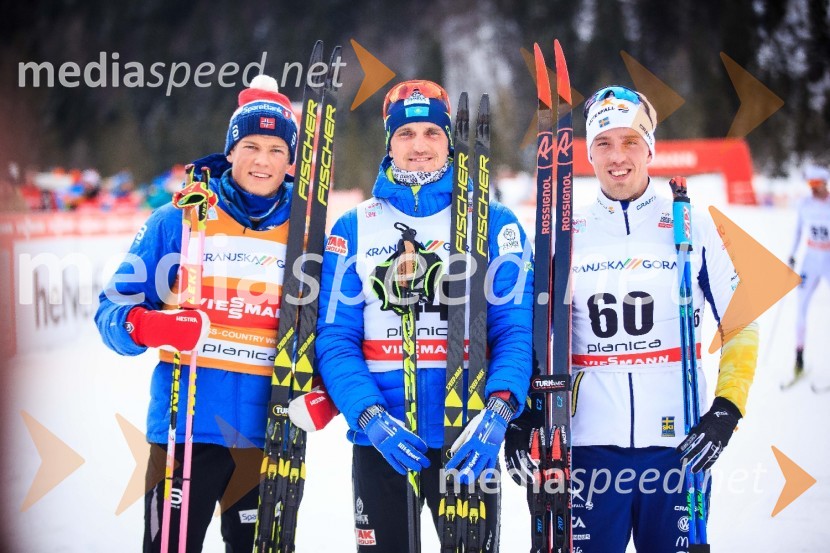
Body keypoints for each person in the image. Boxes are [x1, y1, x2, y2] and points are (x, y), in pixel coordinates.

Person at [504, 85, 759, 552]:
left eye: (630, 142)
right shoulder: (564, 234)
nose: (616, 156)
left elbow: (741, 320)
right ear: (589, 152)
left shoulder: (693, 226)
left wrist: (726, 409)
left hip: (677, 448)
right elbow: (531, 335)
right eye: (603, 143)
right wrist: (525, 415)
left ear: (650, 149)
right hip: (586, 452)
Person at [290, 80, 533, 552]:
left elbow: (513, 330)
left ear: (449, 141)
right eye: (405, 134)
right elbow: (336, 337)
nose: (419, 145)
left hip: (468, 434)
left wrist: (500, 411)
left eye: (431, 133)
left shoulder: (495, 223)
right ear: (389, 142)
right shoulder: (354, 227)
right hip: (383, 440)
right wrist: (368, 415)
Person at [95, 74, 298, 552]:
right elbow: (112, 309)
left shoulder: (307, 233)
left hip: (267, 436)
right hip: (184, 429)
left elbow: (326, 332)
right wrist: (149, 325)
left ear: (291, 161)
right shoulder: (179, 219)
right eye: (250, 145)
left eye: (275, 149)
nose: (262, 160)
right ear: (230, 150)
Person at [788, 164, 830, 376]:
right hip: (811, 259)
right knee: (801, 307)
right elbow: (797, 231)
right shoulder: (804, 204)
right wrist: (792, 254)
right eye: (810, 184)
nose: (813, 188)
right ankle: (799, 358)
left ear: (825, 183)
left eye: (817, 184)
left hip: (828, 258)